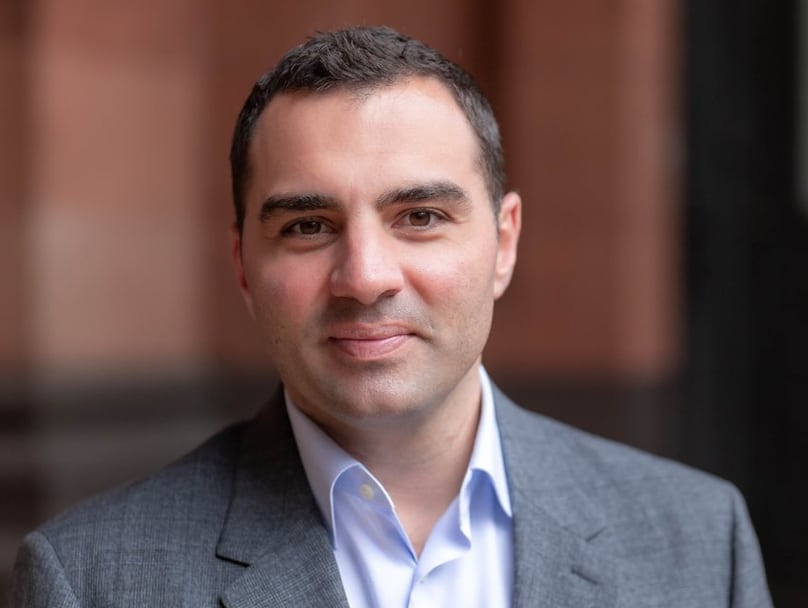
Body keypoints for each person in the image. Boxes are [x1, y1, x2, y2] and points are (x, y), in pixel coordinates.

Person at [12, 26, 772, 607]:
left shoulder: (699, 541)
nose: (366, 277)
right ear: (243, 266)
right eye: (307, 226)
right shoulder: (90, 580)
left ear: (504, 244)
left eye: (420, 217)